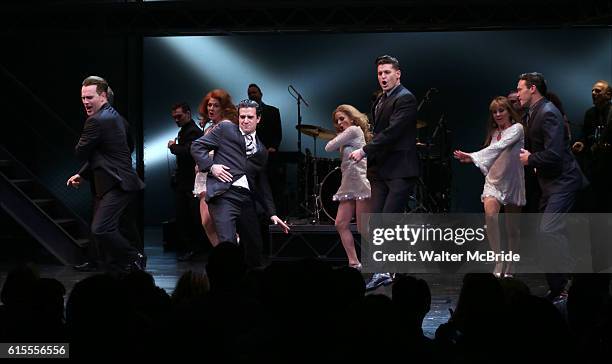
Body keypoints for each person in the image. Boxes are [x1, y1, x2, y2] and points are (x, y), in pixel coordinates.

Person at [191, 99, 290, 269]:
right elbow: (196, 146)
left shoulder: (261, 150)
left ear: (258, 119)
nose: (245, 120)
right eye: (242, 116)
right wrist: (211, 166)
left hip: (246, 199)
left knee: (255, 248)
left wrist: (272, 213)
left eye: (250, 117)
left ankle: (251, 289)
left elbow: (262, 182)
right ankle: (226, 289)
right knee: (228, 246)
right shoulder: (226, 129)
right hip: (224, 195)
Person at [349, 55, 419, 290]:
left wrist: (364, 151)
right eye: (380, 73)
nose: (383, 77)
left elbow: (393, 132)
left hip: (401, 170)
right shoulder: (381, 100)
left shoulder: (405, 98)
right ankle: (390, 269)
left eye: (387, 72)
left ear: (398, 74)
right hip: (382, 171)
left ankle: (388, 270)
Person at [517, 72, 587, 300]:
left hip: (563, 182)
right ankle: (561, 286)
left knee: (549, 230)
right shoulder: (533, 112)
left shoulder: (547, 113)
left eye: (520, 89)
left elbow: (555, 154)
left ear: (533, 89)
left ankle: (564, 286)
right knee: (548, 232)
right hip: (550, 183)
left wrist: (531, 159)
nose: (518, 94)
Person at [67, 76, 145, 273]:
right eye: (83, 98)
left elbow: (80, 152)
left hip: (117, 183)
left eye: (90, 97)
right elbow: (102, 154)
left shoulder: (96, 121)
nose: (85, 102)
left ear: (103, 96)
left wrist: (88, 139)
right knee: (108, 226)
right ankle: (126, 262)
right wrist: (83, 175)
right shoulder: (114, 116)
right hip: (115, 182)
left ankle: (134, 257)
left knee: (102, 228)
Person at [454, 96, 525, 277]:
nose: (498, 114)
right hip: (493, 182)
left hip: (512, 183)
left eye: (501, 110)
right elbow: (492, 156)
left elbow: (500, 148)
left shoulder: (517, 129)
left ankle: (511, 263)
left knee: (512, 228)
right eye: (494, 112)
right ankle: (498, 261)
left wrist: (473, 156)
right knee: (491, 218)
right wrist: (472, 159)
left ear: (509, 111)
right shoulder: (493, 133)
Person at [325, 105, 372, 270]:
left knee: (363, 228)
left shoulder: (353, 130)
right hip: (348, 185)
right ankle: (354, 263)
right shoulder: (348, 135)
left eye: (342, 118)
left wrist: (339, 136)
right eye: (337, 121)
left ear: (351, 118)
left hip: (358, 183)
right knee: (340, 224)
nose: (339, 123)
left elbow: (328, 146)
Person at [572, 80, 612, 271]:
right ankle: (598, 256)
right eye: (592, 90)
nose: (594, 93)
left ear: (608, 95)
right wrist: (581, 143)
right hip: (594, 172)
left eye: (598, 90)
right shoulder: (590, 114)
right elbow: (584, 135)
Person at [192, 89, 238, 250]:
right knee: (206, 222)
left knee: (216, 221)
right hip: (204, 177)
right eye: (209, 105)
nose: (211, 108)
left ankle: (228, 252)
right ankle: (222, 253)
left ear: (224, 108)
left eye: (215, 105)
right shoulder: (210, 128)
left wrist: (208, 162)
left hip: (217, 177)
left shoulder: (228, 127)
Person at [168, 102, 204, 261]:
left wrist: (173, 147)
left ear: (188, 114)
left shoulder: (193, 131)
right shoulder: (186, 130)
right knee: (185, 215)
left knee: (190, 216)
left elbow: (189, 152)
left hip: (191, 181)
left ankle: (194, 248)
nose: (176, 120)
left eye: (179, 116)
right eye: (174, 117)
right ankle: (191, 248)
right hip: (185, 180)